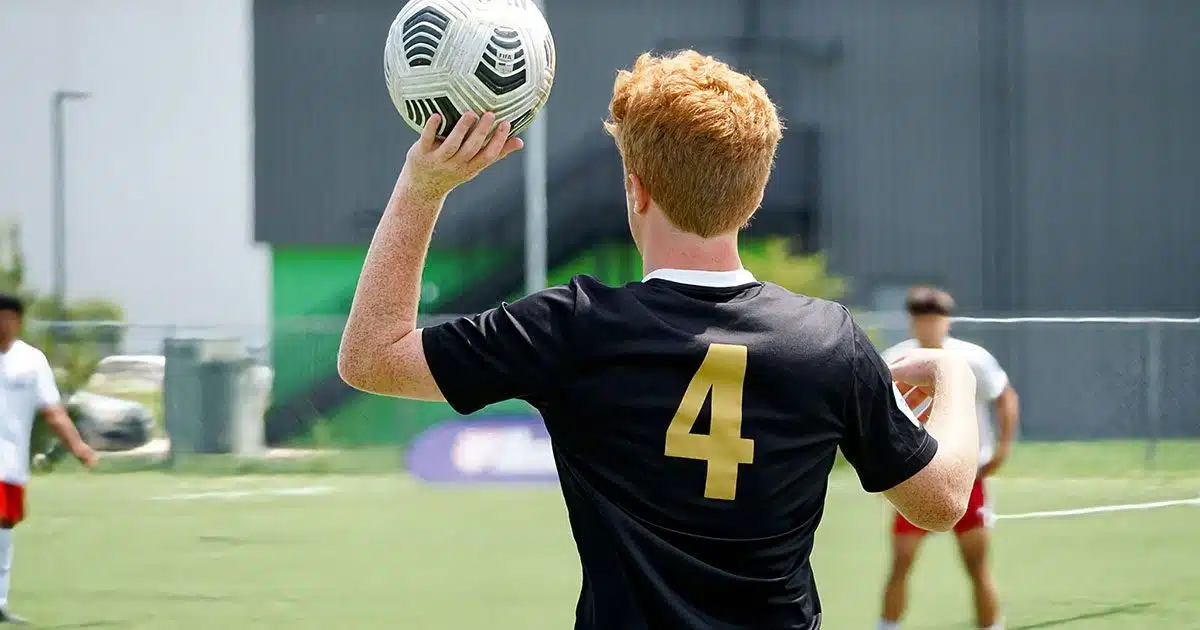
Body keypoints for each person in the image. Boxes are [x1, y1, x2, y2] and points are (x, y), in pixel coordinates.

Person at [339, 50, 981, 630]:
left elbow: (371, 357)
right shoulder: (828, 342)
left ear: (636, 191)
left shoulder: (575, 327)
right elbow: (942, 500)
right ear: (753, 197)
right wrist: (955, 376)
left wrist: (424, 186)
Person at [876, 287, 1021, 630]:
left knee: (976, 564)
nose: (929, 326)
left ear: (947, 320)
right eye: (922, 319)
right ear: (912, 322)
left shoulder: (972, 359)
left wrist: (1001, 449)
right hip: (914, 477)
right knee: (901, 562)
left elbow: (1005, 396)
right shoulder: (894, 360)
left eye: (936, 319)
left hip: (967, 476)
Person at [0, 294, 97, 624]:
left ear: (19, 321)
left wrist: (78, 446)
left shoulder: (31, 360)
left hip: (12, 464)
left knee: (4, 529)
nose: (4, 325)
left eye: (10, 318)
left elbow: (53, 412)